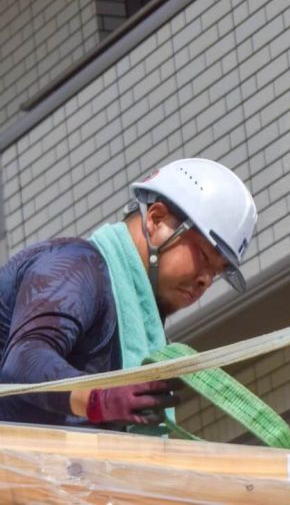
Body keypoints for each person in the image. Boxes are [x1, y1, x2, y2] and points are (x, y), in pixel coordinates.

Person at [0, 158, 257, 430]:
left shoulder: (139, 324)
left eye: (217, 272)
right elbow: (22, 361)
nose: (206, 279)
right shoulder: (76, 267)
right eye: (204, 256)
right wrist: (99, 400)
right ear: (156, 220)